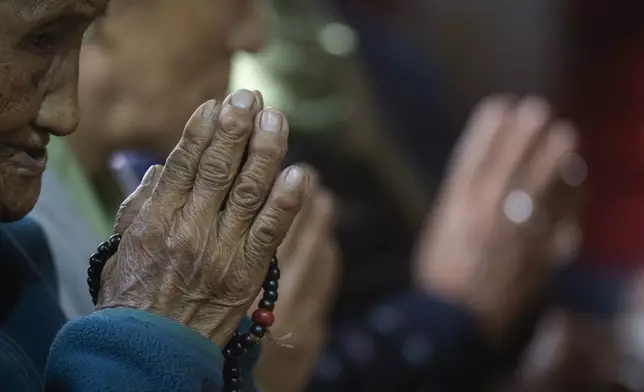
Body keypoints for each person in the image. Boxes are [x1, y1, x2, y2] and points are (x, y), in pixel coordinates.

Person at [1, 0, 315, 389]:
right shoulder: (27, 227)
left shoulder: (24, 256)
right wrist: (157, 342)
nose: (256, 37)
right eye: (237, 3)